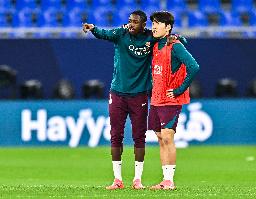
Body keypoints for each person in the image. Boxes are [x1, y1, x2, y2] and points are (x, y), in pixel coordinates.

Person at [82, 10, 185, 190]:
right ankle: (117, 179)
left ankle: (137, 179)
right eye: (129, 21)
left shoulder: (150, 37)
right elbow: (104, 33)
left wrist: (177, 38)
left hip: (139, 94)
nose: (131, 24)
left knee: (139, 137)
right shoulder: (120, 34)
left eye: (135, 22)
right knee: (116, 135)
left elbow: (173, 42)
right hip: (118, 93)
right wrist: (93, 28)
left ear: (143, 24)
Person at [148, 11, 200, 190]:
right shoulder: (156, 43)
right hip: (156, 98)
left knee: (168, 137)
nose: (154, 26)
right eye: (153, 22)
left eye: (158, 23)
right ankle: (165, 179)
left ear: (168, 27)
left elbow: (194, 66)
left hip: (170, 99)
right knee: (161, 137)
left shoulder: (175, 46)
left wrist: (179, 89)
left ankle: (169, 181)